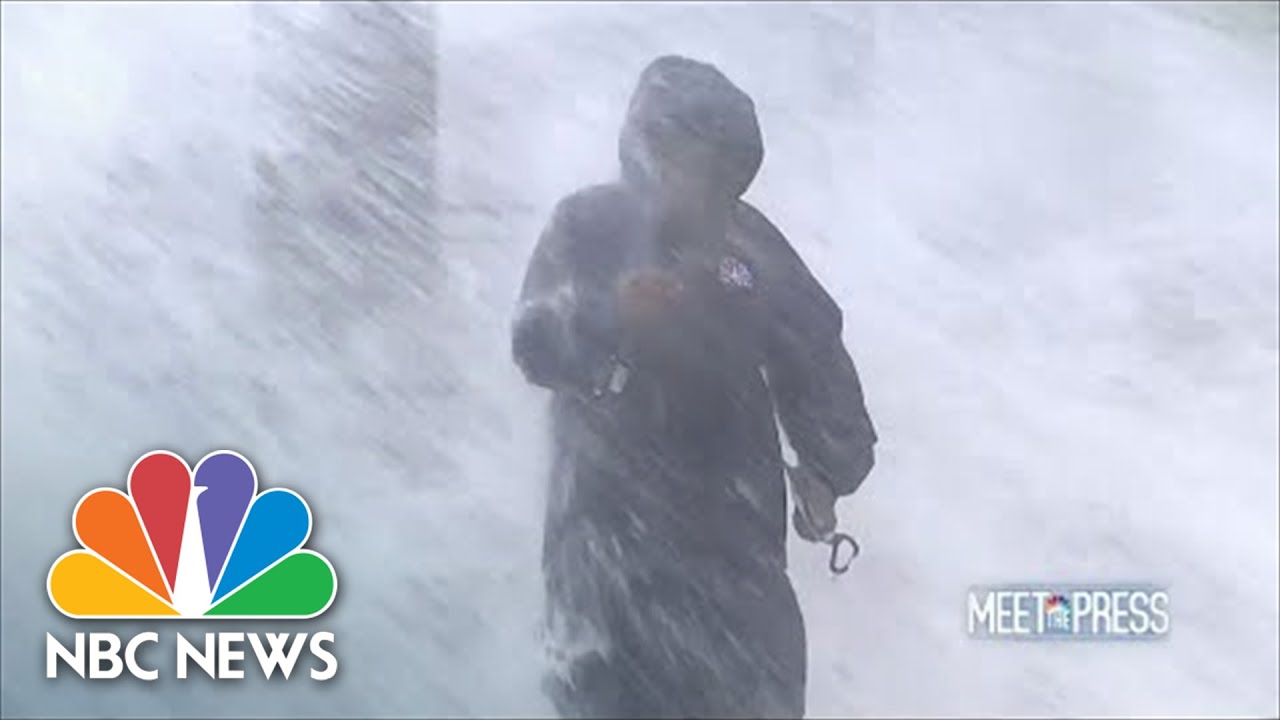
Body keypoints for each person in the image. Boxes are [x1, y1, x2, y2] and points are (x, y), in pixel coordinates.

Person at [511, 55, 878, 719]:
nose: (696, 180)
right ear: (644, 149)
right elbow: (534, 340)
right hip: (606, 563)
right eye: (679, 156)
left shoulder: (751, 249)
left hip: (735, 570)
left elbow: (816, 352)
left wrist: (825, 469)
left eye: (714, 165)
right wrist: (613, 313)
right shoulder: (589, 226)